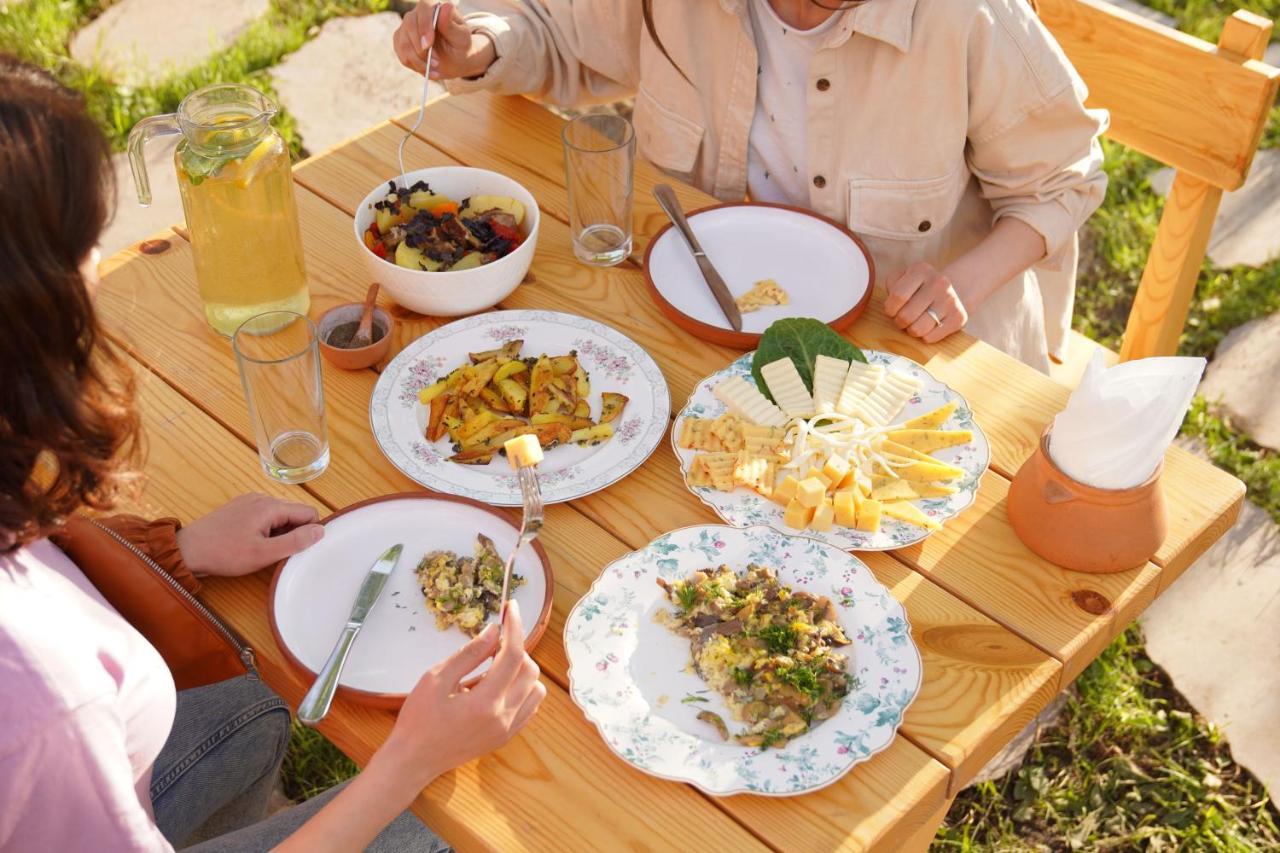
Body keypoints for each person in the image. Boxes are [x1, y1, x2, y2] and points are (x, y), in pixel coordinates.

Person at [0, 55, 545, 851]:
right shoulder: (46, 707)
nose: (100, 272)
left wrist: (173, 549)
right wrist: (409, 762)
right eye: (87, 241)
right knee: (430, 832)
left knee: (247, 715)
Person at [393, 0, 1108, 372]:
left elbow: (1062, 178)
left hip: (905, 351)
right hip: (701, 325)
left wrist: (965, 281)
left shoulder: (970, 16)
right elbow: (554, 36)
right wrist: (480, 44)